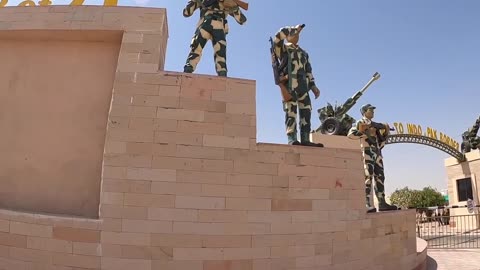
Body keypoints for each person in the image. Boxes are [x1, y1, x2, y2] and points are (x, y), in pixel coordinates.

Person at [271, 24, 323, 147]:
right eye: (293, 34)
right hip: (290, 86)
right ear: (287, 36)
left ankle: (305, 139)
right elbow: (277, 38)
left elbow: (308, 71)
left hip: (303, 87)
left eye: (298, 34)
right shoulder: (283, 49)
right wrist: (292, 29)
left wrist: (313, 86)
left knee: (306, 112)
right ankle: (292, 138)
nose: (296, 35)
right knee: (291, 112)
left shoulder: (304, 53)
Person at [348, 104, 398, 213]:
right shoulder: (360, 122)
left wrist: (384, 133)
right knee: (367, 177)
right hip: (367, 152)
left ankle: (382, 202)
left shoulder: (376, 124)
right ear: (365, 112)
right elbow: (350, 134)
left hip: (377, 152)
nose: (373, 112)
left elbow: (381, 140)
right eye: (371, 110)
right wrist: (364, 133)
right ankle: (367, 203)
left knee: (380, 177)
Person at [182, 0, 247, 77]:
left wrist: (235, 7)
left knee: (220, 52)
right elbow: (186, 12)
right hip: (205, 24)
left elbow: (242, 20)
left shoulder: (226, 2)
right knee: (195, 47)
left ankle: (222, 73)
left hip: (219, 26)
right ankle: (188, 69)